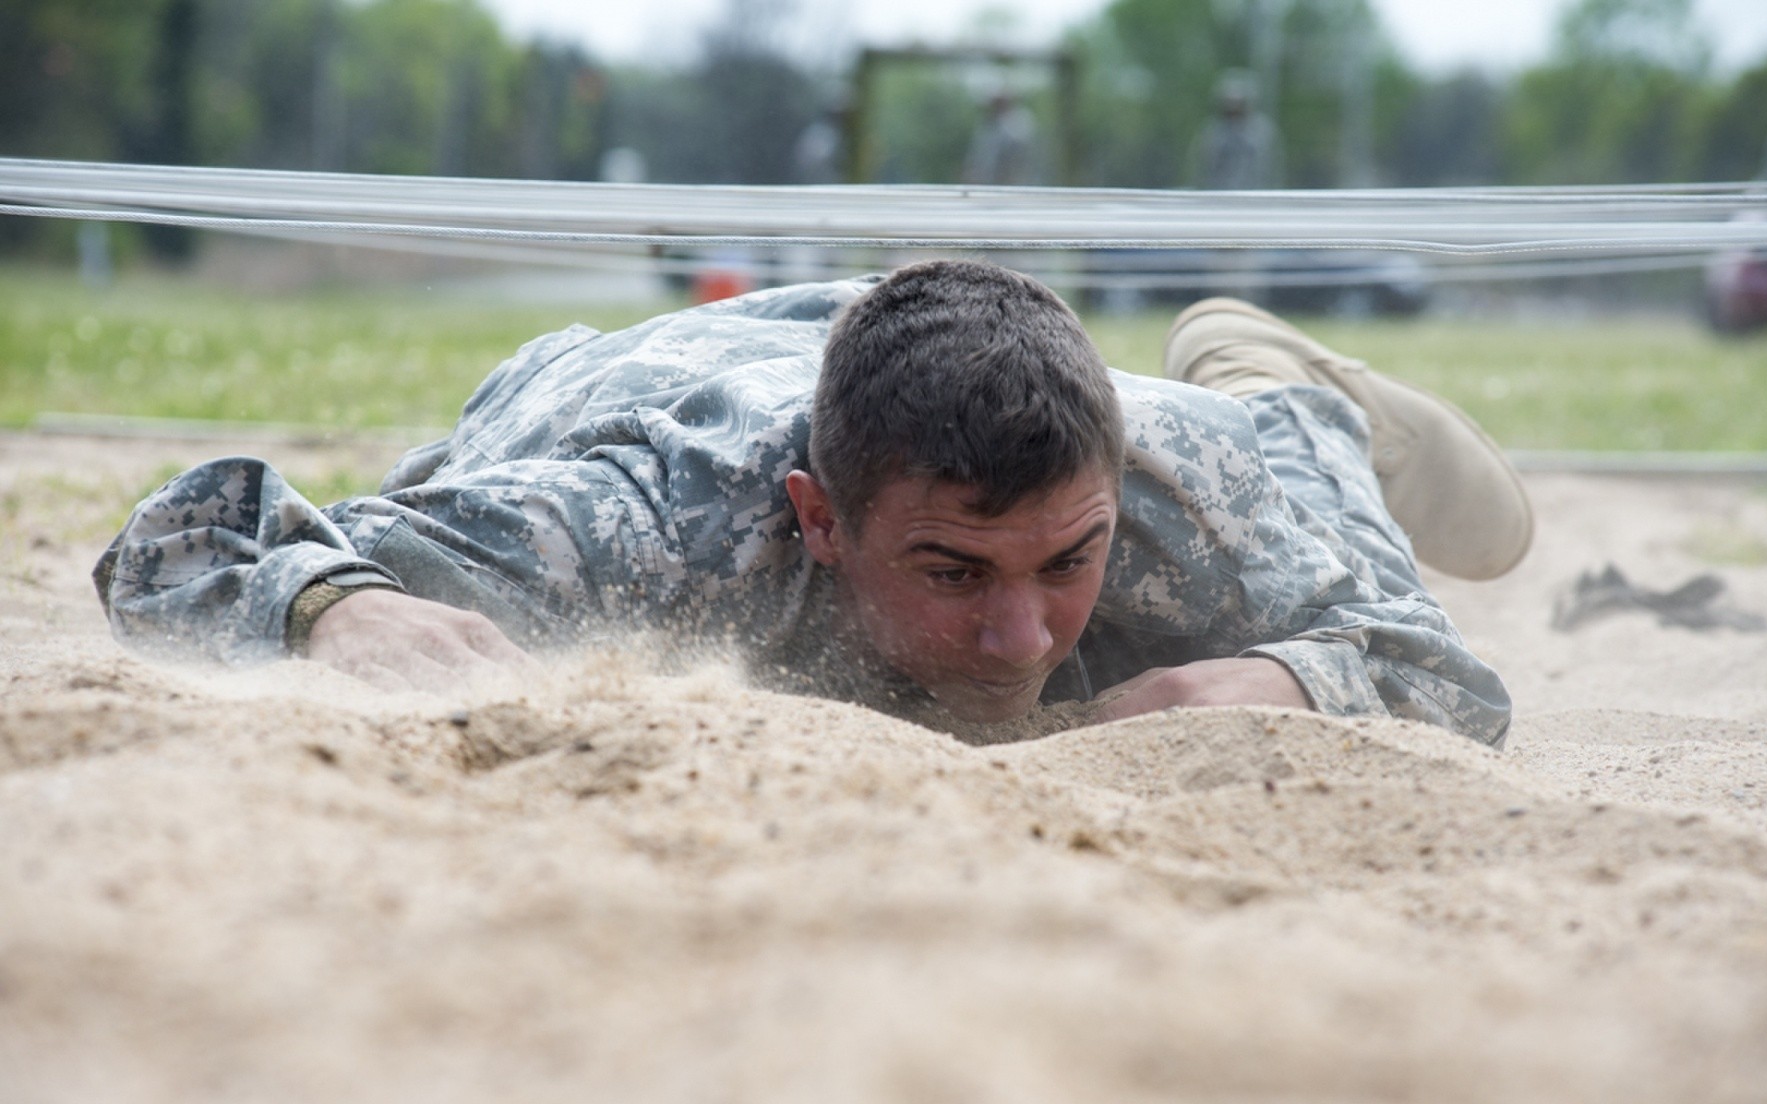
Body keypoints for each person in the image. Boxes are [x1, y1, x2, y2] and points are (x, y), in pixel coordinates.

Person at [95, 260, 1530, 744]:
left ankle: (1271, 365)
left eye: (1066, 565)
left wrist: (1290, 678)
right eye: (955, 573)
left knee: (1297, 456)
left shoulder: (1172, 494)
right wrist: (341, 608)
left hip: (1161, 418)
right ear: (818, 519)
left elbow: (1440, 671)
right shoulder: (641, 524)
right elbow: (186, 532)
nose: (1027, 641)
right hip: (622, 383)